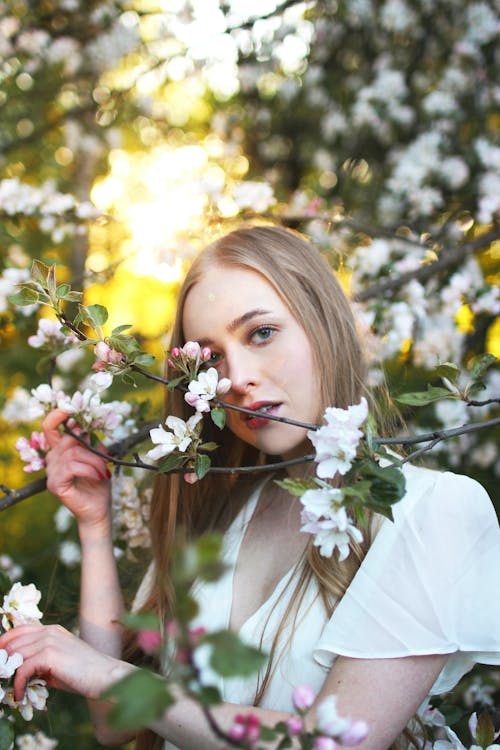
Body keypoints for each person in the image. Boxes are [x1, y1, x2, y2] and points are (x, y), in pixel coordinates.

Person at [1, 225, 499, 750]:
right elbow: (114, 722)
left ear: (322, 323)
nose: (236, 377)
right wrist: (95, 527)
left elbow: (333, 743)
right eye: (210, 357)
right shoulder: (222, 513)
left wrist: (111, 675)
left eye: (261, 333)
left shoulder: (432, 512)